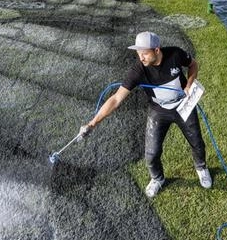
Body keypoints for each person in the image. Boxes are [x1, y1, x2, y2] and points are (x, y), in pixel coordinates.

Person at [80, 31, 212, 198]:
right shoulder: (138, 71)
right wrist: (93, 122)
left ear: (157, 50)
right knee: (151, 153)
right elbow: (116, 98)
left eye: (144, 53)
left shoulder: (176, 54)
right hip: (158, 112)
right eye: (138, 53)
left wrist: (189, 84)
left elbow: (193, 65)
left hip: (183, 106)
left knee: (197, 142)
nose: (140, 58)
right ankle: (157, 179)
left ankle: (201, 168)